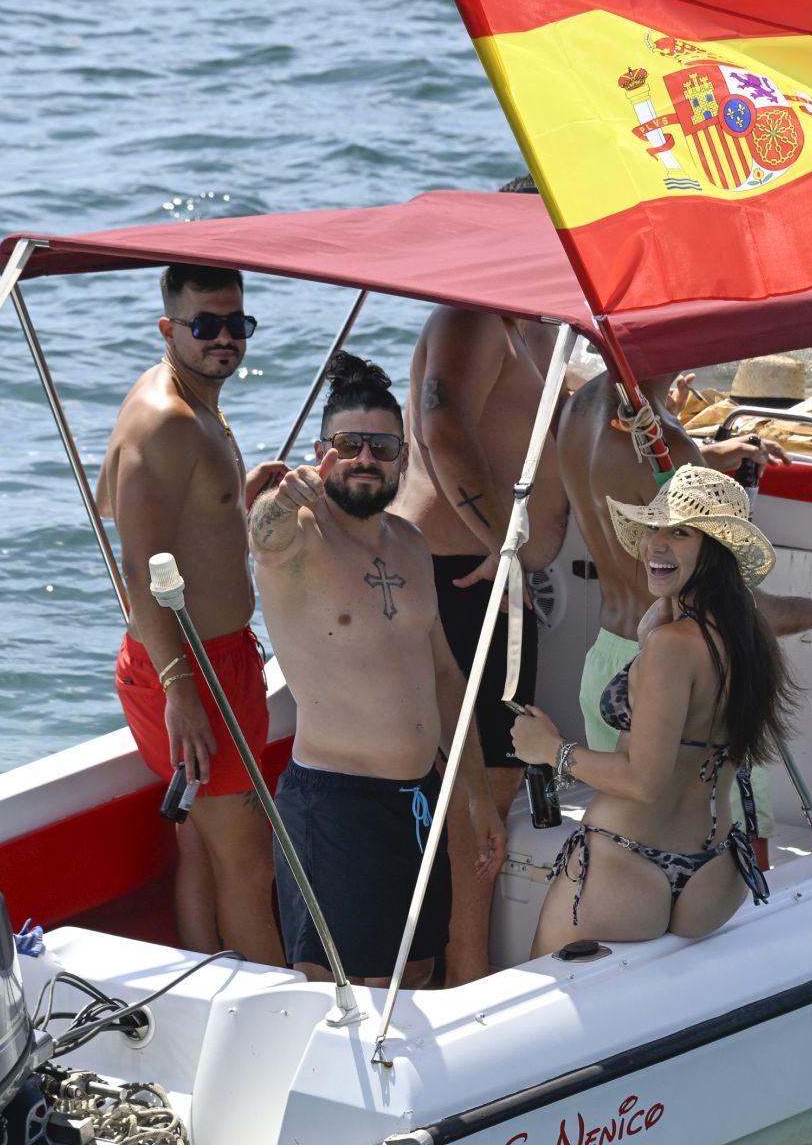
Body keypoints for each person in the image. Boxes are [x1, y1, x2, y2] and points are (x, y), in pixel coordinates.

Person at [249, 351, 507, 987]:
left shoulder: (412, 544)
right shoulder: (300, 538)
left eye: (382, 447)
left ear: (404, 457)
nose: (366, 458)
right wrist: (279, 502)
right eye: (349, 444)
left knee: (416, 973)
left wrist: (474, 797)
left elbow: (447, 678)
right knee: (342, 995)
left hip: (417, 801)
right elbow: (261, 534)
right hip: (335, 807)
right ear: (321, 452)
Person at [510, 465, 788, 951]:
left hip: (626, 867)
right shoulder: (747, 639)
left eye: (679, 533)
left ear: (717, 551)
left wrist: (551, 750)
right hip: (715, 874)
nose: (654, 545)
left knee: (538, 1001)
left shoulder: (673, 646)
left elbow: (643, 781)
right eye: (652, 529)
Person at [96, 263, 287, 965]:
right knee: (249, 866)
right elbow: (140, 566)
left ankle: (211, 991)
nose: (225, 339)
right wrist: (181, 689)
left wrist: (237, 499)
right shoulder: (166, 421)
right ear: (167, 327)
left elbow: (144, 512)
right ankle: (283, 1029)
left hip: (213, 658)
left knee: (203, 854)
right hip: (188, 671)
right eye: (205, 325)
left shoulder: (192, 399)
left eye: (238, 324)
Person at [392, 299, 570, 986]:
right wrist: (505, 539)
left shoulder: (534, 331)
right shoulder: (471, 319)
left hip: (494, 583)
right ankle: (459, 974)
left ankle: (459, 965)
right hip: (460, 576)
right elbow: (441, 424)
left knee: (493, 783)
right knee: (467, 790)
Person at [558, 369, 812, 754]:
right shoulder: (667, 443)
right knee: (717, 811)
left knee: (619, 809)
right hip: (674, 670)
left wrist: (712, 456)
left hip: (606, 659)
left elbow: (632, 477)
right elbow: (722, 606)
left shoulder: (580, 407)